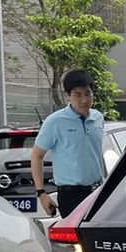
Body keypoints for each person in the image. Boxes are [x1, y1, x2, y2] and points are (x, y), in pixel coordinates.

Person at [31, 69, 106, 218]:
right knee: (75, 241)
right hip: (71, 196)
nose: (84, 100)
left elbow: (96, 152)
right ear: (68, 95)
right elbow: (36, 156)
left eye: (87, 93)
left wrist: (107, 181)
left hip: (98, 192)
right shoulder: (55, 122)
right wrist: (41, 193)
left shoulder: (98, 118)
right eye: (77, 95)